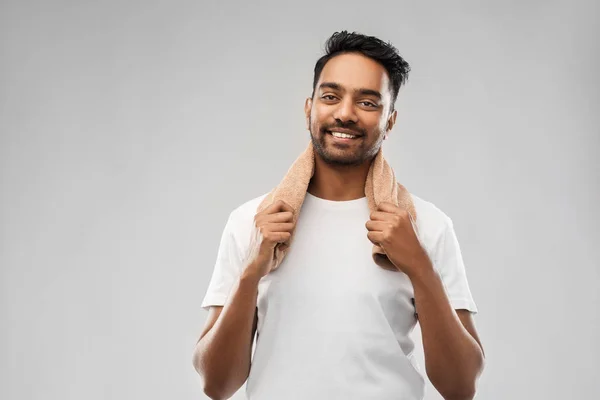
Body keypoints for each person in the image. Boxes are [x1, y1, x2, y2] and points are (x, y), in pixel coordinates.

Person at [192, 30, 485, 400]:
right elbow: (216, 385)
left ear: (390, 121)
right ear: (308, 108)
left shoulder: (425, 226)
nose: (345, 114)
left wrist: (420, 267)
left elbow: (460, 388)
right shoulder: (252, 223)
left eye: (367, 102)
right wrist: (251, 271)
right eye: (331, 97)